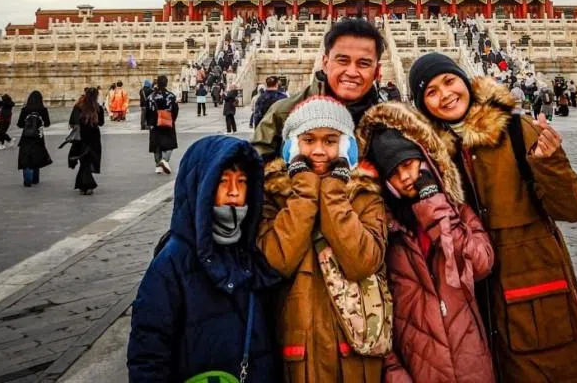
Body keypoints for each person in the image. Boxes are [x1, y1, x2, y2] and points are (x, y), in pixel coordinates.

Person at [406, 53, 577, 383]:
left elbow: (573, 208)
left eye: (449, 81)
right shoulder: (432, 157)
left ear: (465, 81)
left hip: (536, 298)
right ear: (423, 105)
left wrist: (551, 164)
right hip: (475, 307)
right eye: (431, 92)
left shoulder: (516, 131)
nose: (445, 95)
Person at [357, 103, 495, 383]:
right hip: (417, 367)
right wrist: (394, 374)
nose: (406, 177)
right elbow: (374, 311)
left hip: (470, 362)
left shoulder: (457, 211)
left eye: (408, 164)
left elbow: (480, 265)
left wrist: (435, 207)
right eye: (394, 173)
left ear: (425, 159)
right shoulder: (385, 232)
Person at [127, 136, 282, 382]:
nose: (234, 192)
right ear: (202, 187)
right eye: (223, 182)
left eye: (242, 182)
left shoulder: (252, 252)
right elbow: (148, 353)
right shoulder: (172, 263)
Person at [257, 96, 387, 383]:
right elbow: (277, 261)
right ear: (292, 146)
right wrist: (305, 191)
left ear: (347, 146)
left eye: (330, 141)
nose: (318, 150)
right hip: (299, 354)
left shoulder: (365, 196)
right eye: (308, 140)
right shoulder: (274, 196)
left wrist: (333, 191)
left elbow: (361, 262)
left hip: (355, 357)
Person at [251, 18, 384, 166]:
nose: (352, 72)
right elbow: (253, 168)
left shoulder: (388, 122)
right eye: (343, 61)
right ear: (325, 63)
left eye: (363, 63)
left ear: (377, 71)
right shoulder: (283, 113)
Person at [68, 88, 105, 195]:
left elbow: (72, 121)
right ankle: (88, 185)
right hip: (93, 138)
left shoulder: (78, 107)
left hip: (81, 138)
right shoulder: (98, 108)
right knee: (87, 162)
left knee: (84, 162)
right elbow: (101, 123)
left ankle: (82, 185)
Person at [16, 90, 52, 186]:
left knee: (26, 156)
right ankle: (35, 178)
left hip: (26, 136)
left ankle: (28, 178)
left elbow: (20, 124)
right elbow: (47, 124)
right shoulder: (43, 109)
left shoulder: (25, 109)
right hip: (38, 137)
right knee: (36, 155)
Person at [146, 75, 179, 174]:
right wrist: (172, 120)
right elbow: (175, 110)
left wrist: (149, 122)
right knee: (170, 143)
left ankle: (158, 165)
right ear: (166, 83)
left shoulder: (151, 96)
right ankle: (164, 160)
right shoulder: (171, 96)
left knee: (156, 144)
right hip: (167, 122)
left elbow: (147, 111)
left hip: (154, 123)